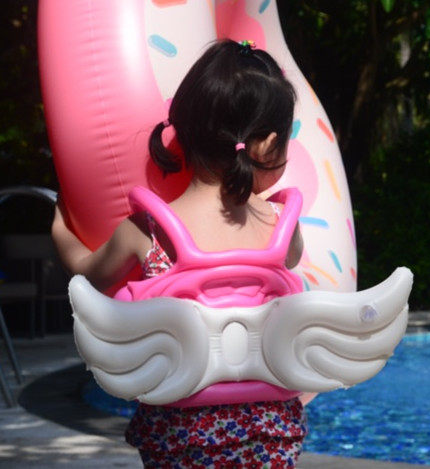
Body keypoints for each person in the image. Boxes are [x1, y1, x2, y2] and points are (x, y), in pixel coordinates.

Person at [52, 39, 308, 468]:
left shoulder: (147, 230)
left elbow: (86, 274)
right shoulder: (284, 226)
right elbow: (293, 264)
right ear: (268, 145)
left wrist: (61, 225)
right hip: (270, 430)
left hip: (177, 434)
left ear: (183, 133)